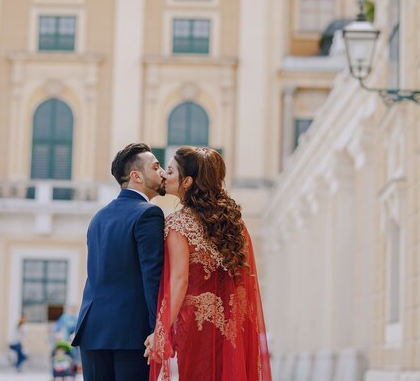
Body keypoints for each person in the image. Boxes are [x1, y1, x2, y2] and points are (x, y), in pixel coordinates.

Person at [144, 146, 272, 381]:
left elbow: (180, 280)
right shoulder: (233, 224)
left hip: (197, 326)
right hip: (233, 326)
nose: (164, 175)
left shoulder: (178, 224)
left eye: (170, 172)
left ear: (187, 182)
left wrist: (161, 330)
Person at [72, 143, 166, 381]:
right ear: (136, 176)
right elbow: (152, 275)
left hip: (92, 332)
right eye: (156, 167)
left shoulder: (98, 217)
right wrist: (159, 329)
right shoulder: (148, 214)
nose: (162, 172)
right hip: (131, 335)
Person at [53, 304, 81, 371]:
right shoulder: (64, 317)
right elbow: (57, 327)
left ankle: (73, 372)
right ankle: (63, 372)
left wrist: (74, 334)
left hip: (74, 341)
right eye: (71, 309)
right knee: (64, 357)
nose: (72, 310)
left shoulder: (76, 318)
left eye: (74, 309)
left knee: (74, 357)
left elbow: (78, 328)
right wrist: (58, 334)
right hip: (65, 341)